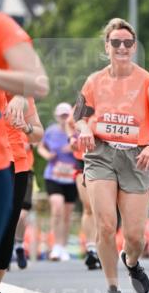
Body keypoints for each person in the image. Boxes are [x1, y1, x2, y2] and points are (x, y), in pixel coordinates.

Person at [74, 18, 149, 293]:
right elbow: (79, 115)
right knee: (107, 225)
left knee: (135, 236)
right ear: (107, 47)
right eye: (115, 43)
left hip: (137, 157)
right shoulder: (94, 81)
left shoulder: (148, 81)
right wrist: (85, 129)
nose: (121, 47)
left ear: (134, 47)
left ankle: (132, 260)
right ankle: (112, 287)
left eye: (127, 43)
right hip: (101, 153)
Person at [0, 12, 48, 256]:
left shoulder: (0, 25)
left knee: (6, 231)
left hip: (11, 162)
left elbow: (37, 83)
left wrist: (23, 123)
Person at [0, 96, 43, 293]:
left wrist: (27, 127)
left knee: (6, 229)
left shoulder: (21, 93)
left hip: (16, 164)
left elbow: (38, 133)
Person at [37, 103, 78, 260]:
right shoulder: (51, 131)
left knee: (67, 214)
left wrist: (74, 147)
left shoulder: (76, 132)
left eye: (66, 115)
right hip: (53, 175)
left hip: (71, 176)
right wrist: (47, 155)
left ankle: (63, 247)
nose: (64, 119)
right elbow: (40, 147)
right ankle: (56, 246)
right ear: (56, 116)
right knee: (57, 207)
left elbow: (84, 149)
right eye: (61, 116)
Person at [67, 110, 100, 269]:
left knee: (102, 207)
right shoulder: (86, 99)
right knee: (88, 206)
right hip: (83, 159)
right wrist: (72, 138)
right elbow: (69, 123)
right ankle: (91, 249)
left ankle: (103, 246)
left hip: (106, 159)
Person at [13, 136, 36, 268]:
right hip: (3, 169)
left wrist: (30, 145)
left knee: (22, 215)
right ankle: (6, 249)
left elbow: (38, 137)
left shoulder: (26, 119)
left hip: (25, 170)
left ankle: (19, 245)